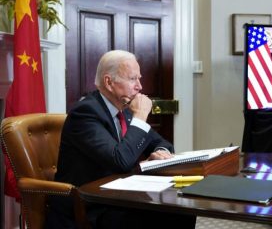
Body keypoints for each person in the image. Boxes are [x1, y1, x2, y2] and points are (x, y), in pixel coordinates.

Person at [45, 50, 196, 228]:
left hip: (119, 198)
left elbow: (162, 143)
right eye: (133, 79)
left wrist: (160, 152)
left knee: (181, 210)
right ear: (109, 82)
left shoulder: (124, 110)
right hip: (90, 207)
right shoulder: (86, 113)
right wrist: (140, 115)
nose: (140, 86)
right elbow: (120, 161)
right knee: (168, 216)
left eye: (139, 78)